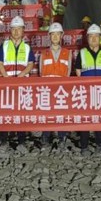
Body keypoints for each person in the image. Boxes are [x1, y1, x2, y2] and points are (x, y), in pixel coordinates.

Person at [0, 15, 35, 153]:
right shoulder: (4, 46)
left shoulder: (27, 47)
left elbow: (30, 64)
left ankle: (21, 142)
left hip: (22, 85)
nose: (16, 32)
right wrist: (6, 77)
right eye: (14, 29)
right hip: (6, 84)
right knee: (5, 113)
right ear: (10, 30)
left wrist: (20, 76)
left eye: (19, 29)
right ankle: (4, 142)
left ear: (23, 30)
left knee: (21, 113)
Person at [76, 24, 101, 154]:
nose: (94, 39)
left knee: (99, 118)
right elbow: (78, 72)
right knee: (85, 119)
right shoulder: (82, 53)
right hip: (86, 92)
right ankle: (84, 145)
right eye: (91, 36)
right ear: (87, 38)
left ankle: (100, 144)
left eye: (96, 36)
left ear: (100, 38)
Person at [39, 22, 72, 151]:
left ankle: (62, 138)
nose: (55, 37)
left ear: (61, 36)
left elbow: (68, 72)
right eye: (53, 34)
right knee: (47, 114)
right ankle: (45, 138)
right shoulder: (43, 53)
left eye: (58, 34)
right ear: (49, 36)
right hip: (47, 90)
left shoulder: (67, 53)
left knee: (61, 114)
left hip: (61, 90)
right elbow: (41, 72)